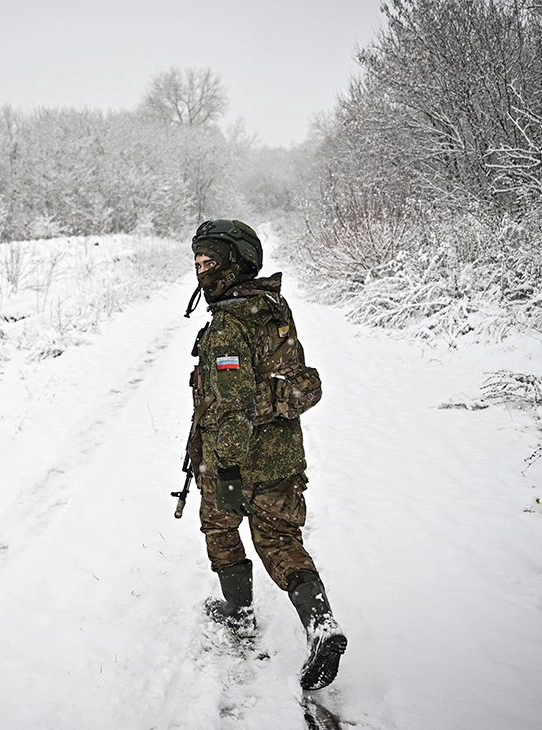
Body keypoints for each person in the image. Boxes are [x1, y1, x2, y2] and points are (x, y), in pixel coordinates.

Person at [184, 219, 346, 691]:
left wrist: (228, 469)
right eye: (197, 262)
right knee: (280, 541)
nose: (201, 271)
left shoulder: (227, 327)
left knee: (219, 529)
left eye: (210, 261)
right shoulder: (273, 306)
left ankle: (238, 614)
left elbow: (232, 407)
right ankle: (321, 624)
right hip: (282, 459)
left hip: (233, 461)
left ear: (235, 263)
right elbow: (295, 378)